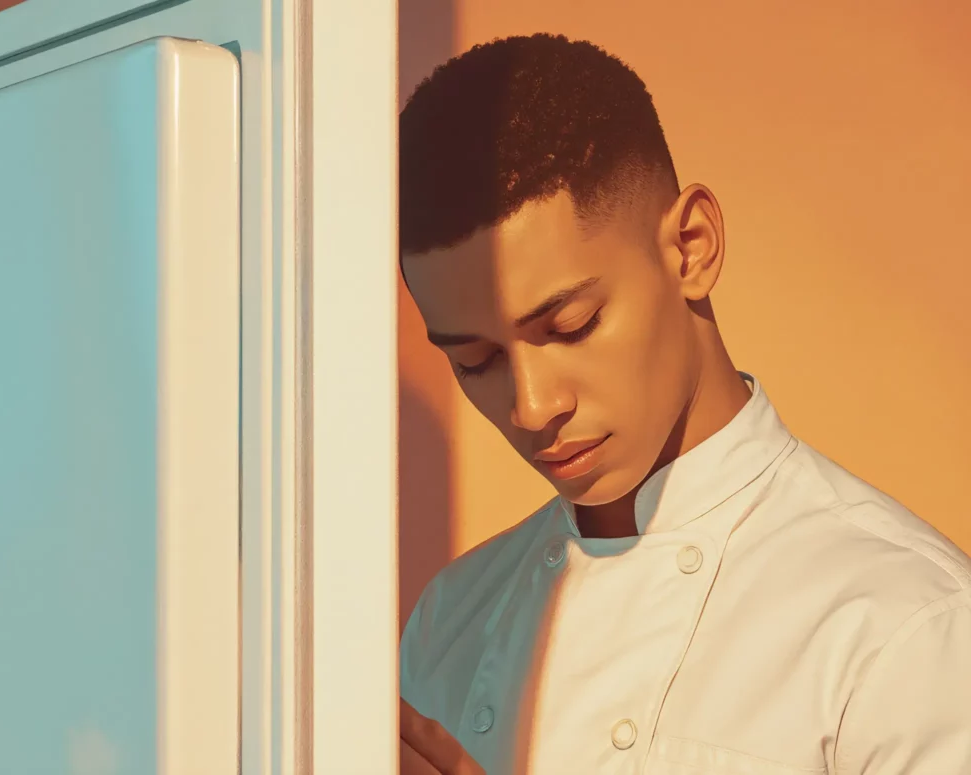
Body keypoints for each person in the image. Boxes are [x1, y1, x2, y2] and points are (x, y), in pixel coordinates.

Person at [396, 33, 971, 775]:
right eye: (476, 361)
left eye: (571, 326)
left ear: (692, 247)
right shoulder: (448, 621)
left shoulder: (907, 626)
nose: (532, 407)